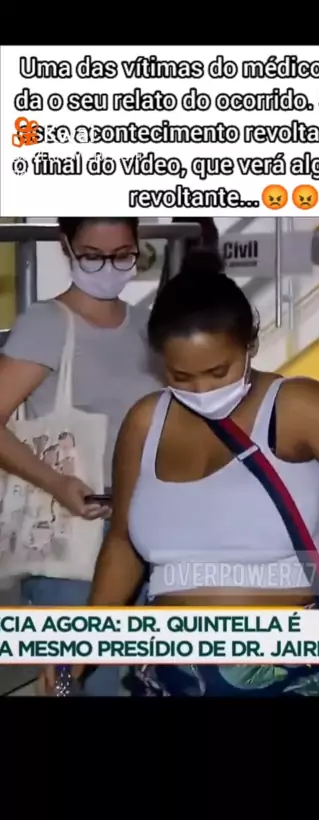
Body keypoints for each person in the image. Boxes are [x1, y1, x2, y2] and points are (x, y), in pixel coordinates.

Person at [60, 252, 319, 697]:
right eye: (182, 376)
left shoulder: (297, 407)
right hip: (169, 674)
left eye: (218, 371)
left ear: (250, 345)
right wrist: (86, 640)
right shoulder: (146, 421)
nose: (202, 390)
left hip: (289, 673)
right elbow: (123, 541)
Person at [0, 217, 162, 695]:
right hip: (74, 537)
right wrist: (56, 483)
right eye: (93, 256)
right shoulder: (47, 325)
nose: (109, 267)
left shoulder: (146, 326)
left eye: (123, 255)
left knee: (148, 679)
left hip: (147, 529)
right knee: (85, 682)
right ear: (66, 247)